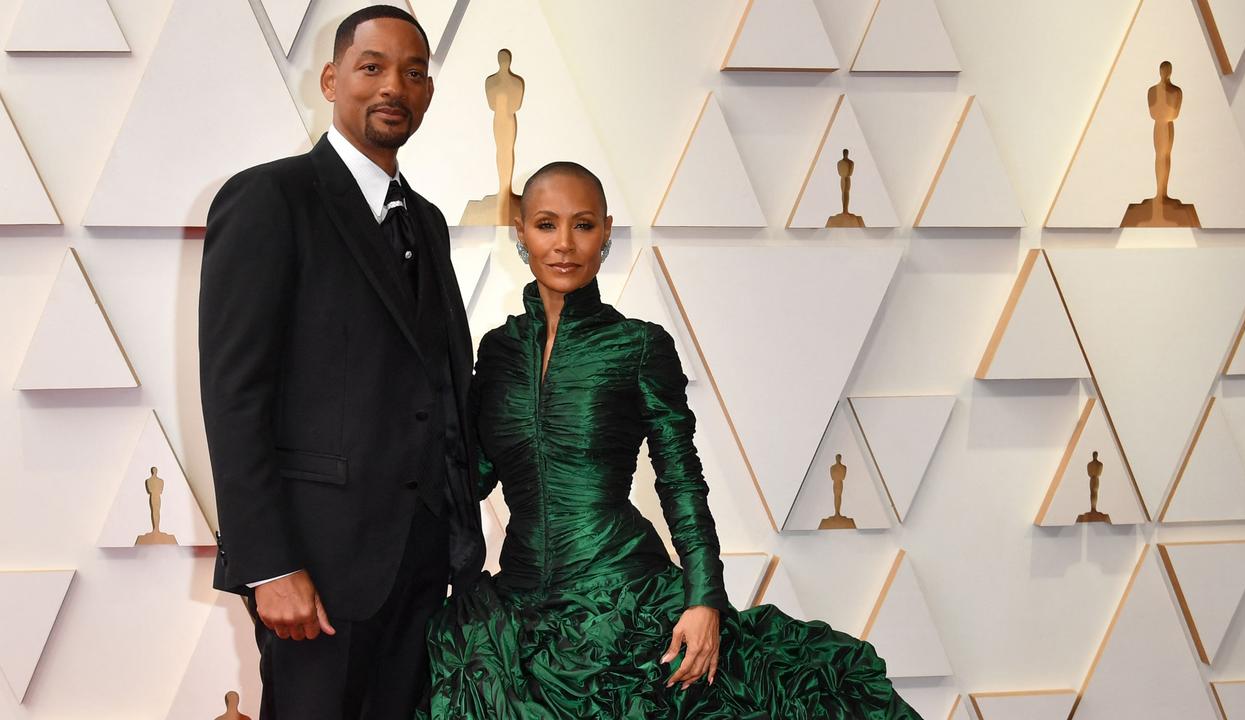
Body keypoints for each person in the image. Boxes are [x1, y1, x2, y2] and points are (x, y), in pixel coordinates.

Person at [420, 162, 921, 719]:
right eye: (546, 224)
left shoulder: (639, 346)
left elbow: (681, 480)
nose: (564, 244)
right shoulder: (496, 352)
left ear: (606, 230)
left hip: (622, 596)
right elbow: (471, 478)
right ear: (521, 232)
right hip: (515, 609)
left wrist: (705, 598)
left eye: (583, 225)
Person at [198, 7, 482, 719]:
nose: (395, 86)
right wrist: (269, 565)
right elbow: (234, 396)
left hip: (421, 570)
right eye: (373, 67)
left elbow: (438, 385)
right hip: (315, 572)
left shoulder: (429, 221)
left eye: (414, 73)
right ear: (330, 79)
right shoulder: (271, 198)